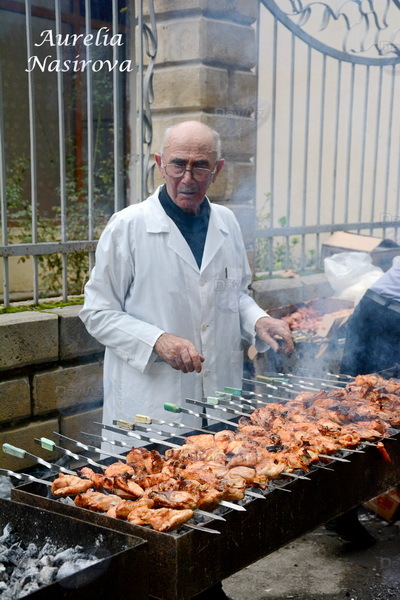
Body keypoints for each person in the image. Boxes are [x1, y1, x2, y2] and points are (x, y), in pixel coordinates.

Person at [80, 121, 294, 600]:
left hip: (212, 404)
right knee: (149, 519)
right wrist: (157, 339)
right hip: (150, 405)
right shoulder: (130, 226)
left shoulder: (226, 224)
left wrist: (258, 320)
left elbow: (231, 293)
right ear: (160, 164)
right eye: (178, 164)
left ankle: (204, 587)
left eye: (200, 166)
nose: (188, 177)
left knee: (204, 510)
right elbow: (96, 312)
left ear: (217, 170)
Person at [325, 256, 400, 549]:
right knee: (355, 417)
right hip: (387, 320)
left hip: (374, 310)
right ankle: (340, 513)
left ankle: (342, 512)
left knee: (366, 418)